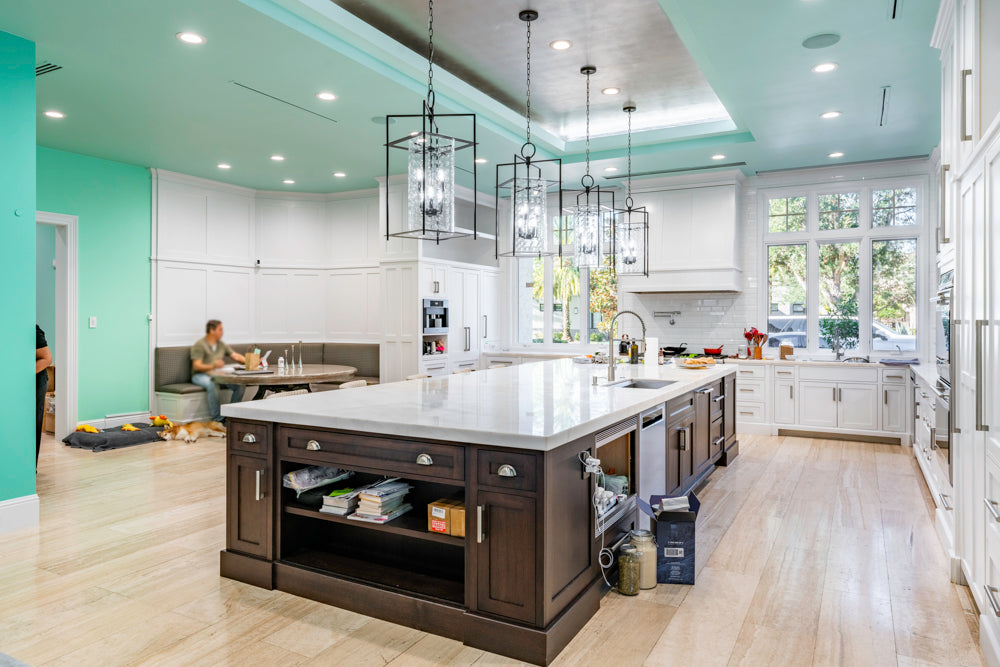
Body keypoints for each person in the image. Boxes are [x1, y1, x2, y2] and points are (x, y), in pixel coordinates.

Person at [190, 320, 246, 422]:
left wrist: (251, 361)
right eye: (220, 330)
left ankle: (231, 415)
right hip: (200, 375)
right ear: (212, 330)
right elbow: (196, 366)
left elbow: (235, 356)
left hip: (217, 374)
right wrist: (213, 365)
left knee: (240, 385)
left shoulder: (221, 344)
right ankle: (217, 419)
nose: (222, 332)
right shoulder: (200, 345)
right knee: (212, 384)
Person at [35, 325, 53, 466]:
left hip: (35, 380)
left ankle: (30, 467)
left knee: (33, 422)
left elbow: (47, 359)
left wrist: (20, 376)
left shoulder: (32, 330)